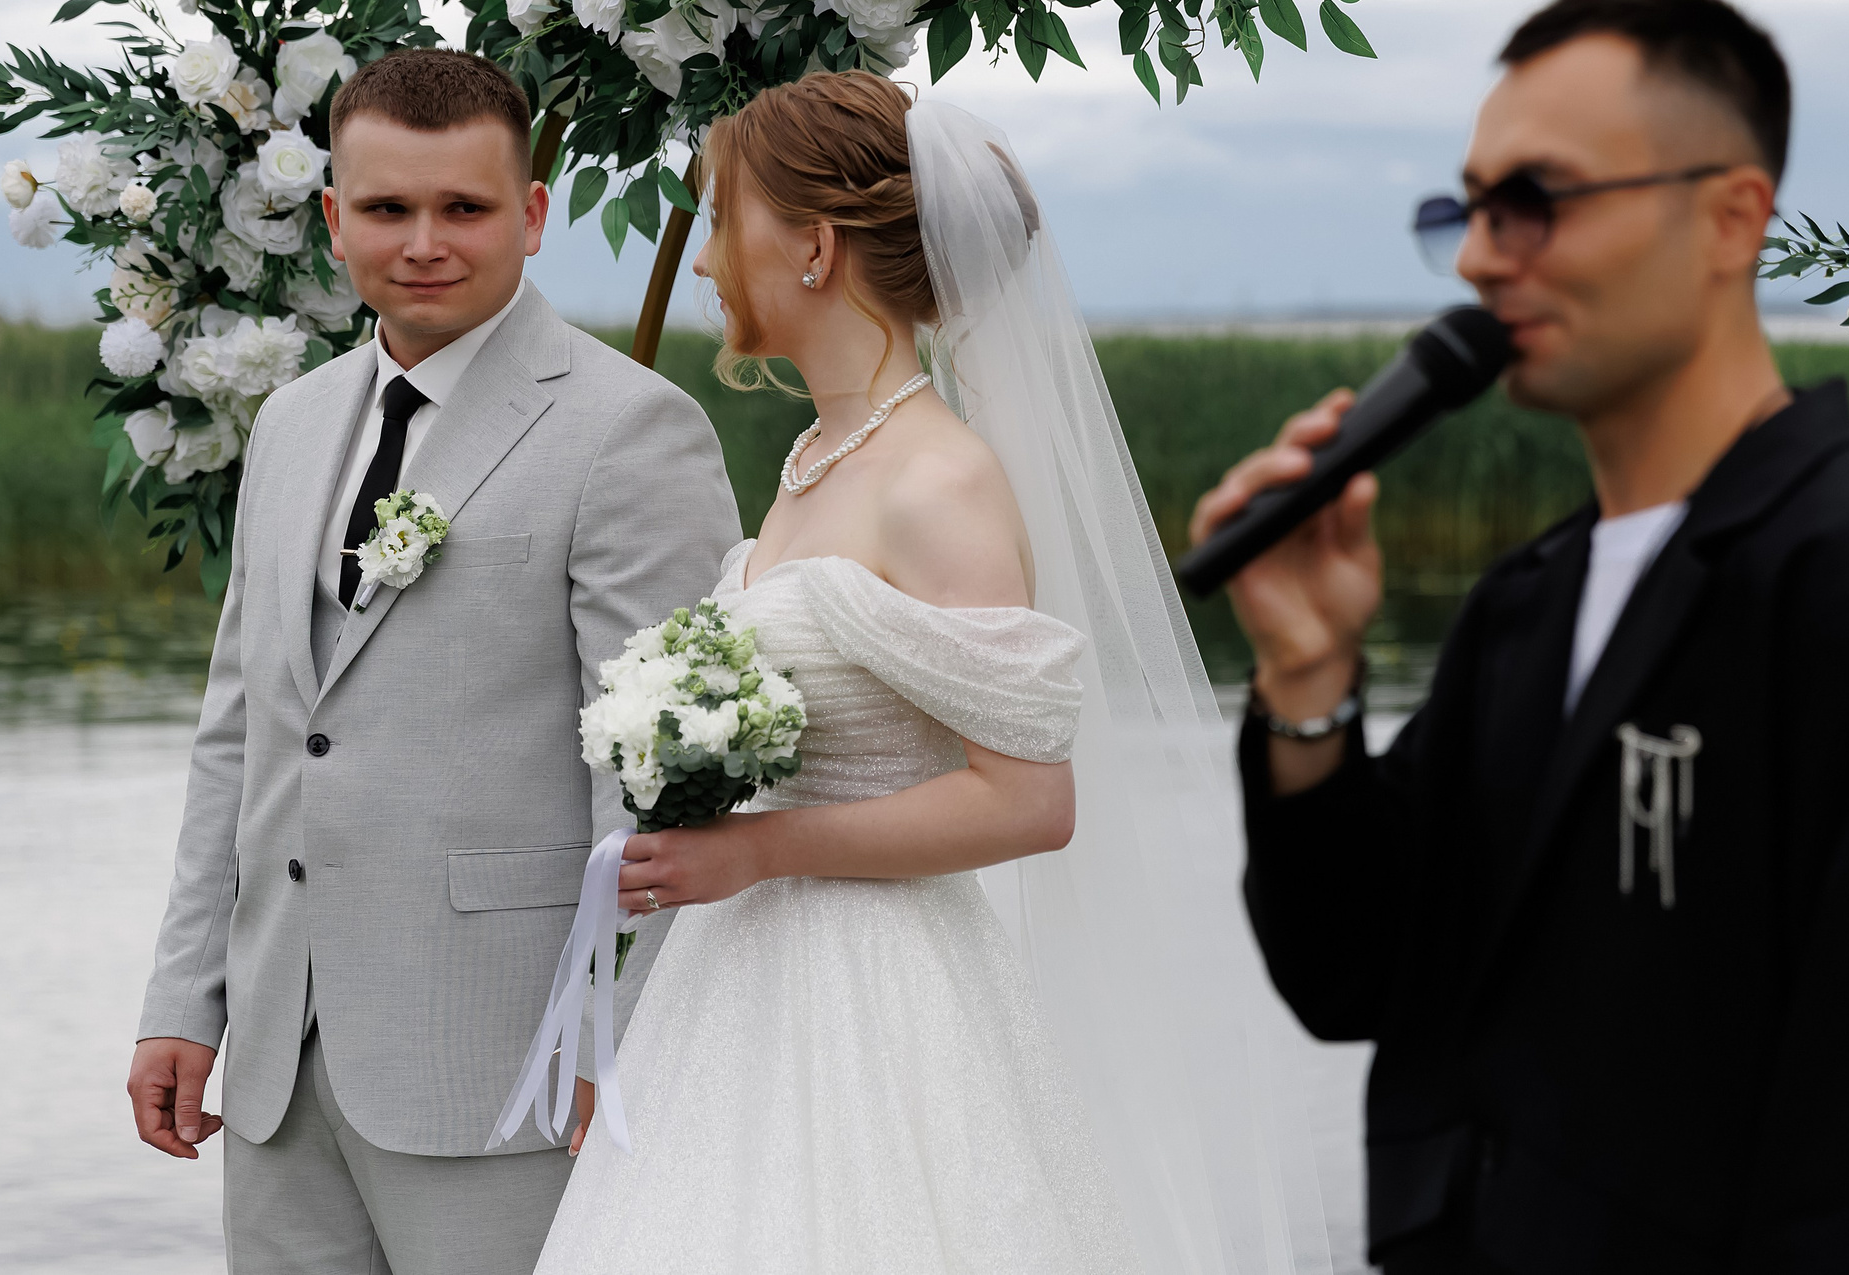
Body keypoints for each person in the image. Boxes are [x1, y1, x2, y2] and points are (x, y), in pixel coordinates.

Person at [1196, 0, 1849, 1274]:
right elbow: (1352, 975)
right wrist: (1308, 680)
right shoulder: (1526, 603)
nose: (1487, 258)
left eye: (1535, 201)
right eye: (1470, 209)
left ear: (1731, 215)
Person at [532, 73, 1336, 1274]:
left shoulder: (938, 480)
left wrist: (754, 850)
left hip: (880, 1003)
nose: (702, 264)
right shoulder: (814, 459)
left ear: (812, 246)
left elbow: (1027, 800)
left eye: (719, 222)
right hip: (736, 988)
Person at [125, 48, 739, 1274]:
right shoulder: (294, 424)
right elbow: (241, 737)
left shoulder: (629, 430)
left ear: (530, 214)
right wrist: (184, 1003)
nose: (423, 243)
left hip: (513, 1065)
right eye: (387, 209)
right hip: (277, 1065)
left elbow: (672, 784)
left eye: (462, 208)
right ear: (330, 220)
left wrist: (627, 1038)